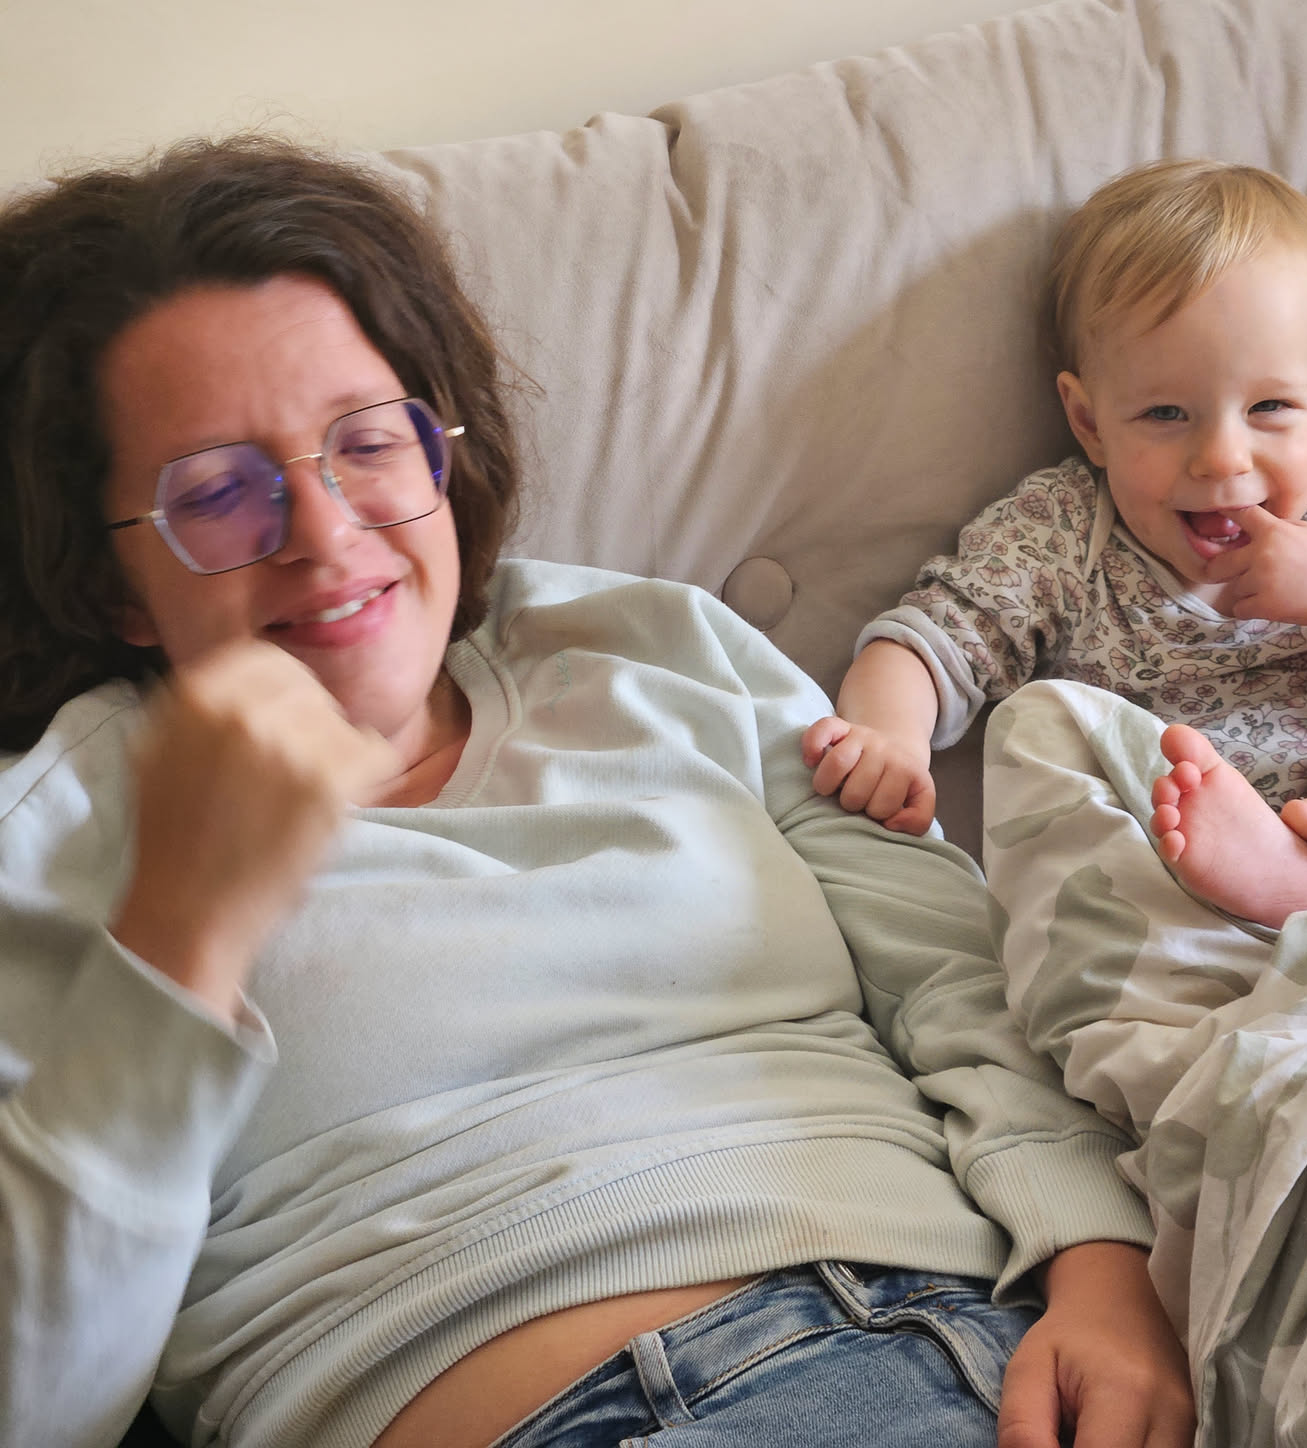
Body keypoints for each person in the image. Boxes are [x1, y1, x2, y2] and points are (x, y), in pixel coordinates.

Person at [0, 136, 1194, 1448]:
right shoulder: (49, 838)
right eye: (220, 491)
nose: (326, 535)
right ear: (112, 580)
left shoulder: (657, 647)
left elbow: (958, 982)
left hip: (964, 1347)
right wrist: (179, 939)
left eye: (368, 443)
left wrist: (1103, 1267)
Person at [803, 158, 1307, 929]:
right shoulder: (1066, 530)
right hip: (1162, 872)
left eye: (1270, 406)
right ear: (1090, 421)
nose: (1223, 459)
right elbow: (929, 642)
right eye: (1166, 414)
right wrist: (887, 740)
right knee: (1042, 725)